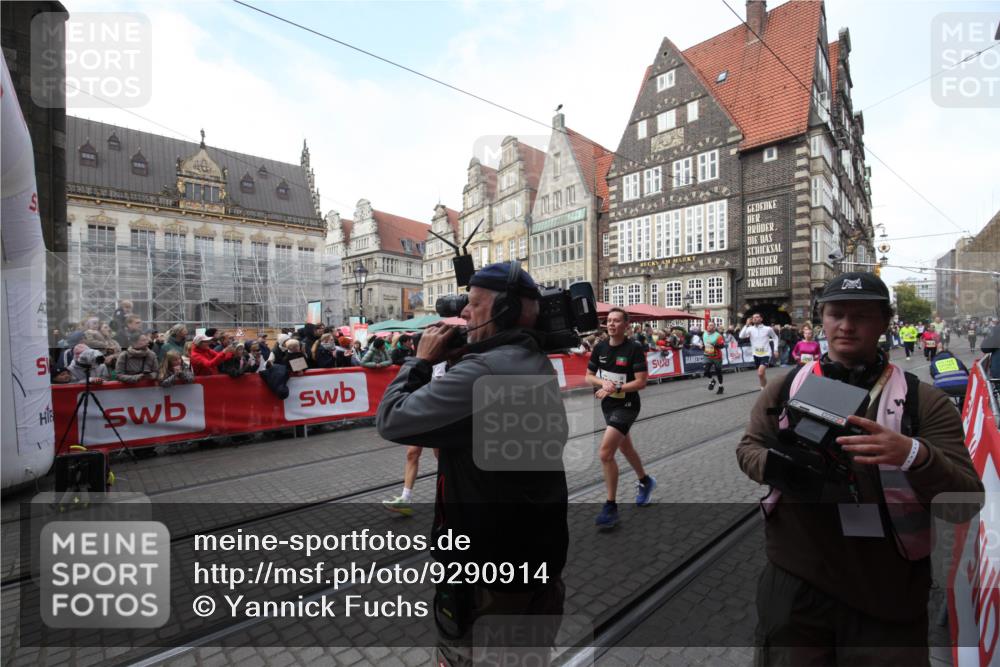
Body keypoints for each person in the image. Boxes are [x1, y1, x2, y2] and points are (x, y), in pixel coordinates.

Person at [736, 272, 982, 665]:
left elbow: (965, 502)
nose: (846, 326)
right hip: (795, 580)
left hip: (888, 591)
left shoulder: (924, 402)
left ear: (885, 322)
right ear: (822, 319)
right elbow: (748, 448)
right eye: (836, 314)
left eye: (862, 316)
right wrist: (787, 468)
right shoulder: (785, 388)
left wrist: (912, 454)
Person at [376, 261, 567, 667]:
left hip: (486, 580)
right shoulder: (530, 359)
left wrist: (421, 361)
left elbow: (392, 419)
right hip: (535, 559)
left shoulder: (484, 372)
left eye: (475, 304)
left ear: (505, 310)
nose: (463, 313)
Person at [587, 307, 655, 529]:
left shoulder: (634, 348)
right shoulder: (600, 348)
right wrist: (602, 383)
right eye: (609, 320)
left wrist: (615, 386)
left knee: (606, 453)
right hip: (608, 405)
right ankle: (645, 481)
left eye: (617, 321)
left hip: (627, 405)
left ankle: (610, 507)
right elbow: (587, 376)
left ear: (626, 325)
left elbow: (641, 382)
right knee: (625, 448)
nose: (612, 324)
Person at [740, 313, 780, 389]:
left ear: (761, 319)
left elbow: (775, 337)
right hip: (756, 354)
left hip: (766, 354)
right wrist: (746, 325)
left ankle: (763, 389)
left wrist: (775, 350)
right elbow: (741, 336)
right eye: (753, 317)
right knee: (762, 374)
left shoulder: (767, 329)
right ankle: (764, 387)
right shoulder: (750, 329)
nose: (755, 318)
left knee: (760, 373)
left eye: (757, 317)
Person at [702, 320, 725, 395]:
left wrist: (714, 345)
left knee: (718, 372)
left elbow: (722, 346)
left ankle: (721, 386)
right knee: (706, 371)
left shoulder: (718, 335)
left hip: (716, 356)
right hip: (707, 355)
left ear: (714, 327)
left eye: (711, 325)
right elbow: (705, 344)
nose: (709, 326)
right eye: (708, 325)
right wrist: (702, 346)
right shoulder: (704, 334)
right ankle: (712, 380)